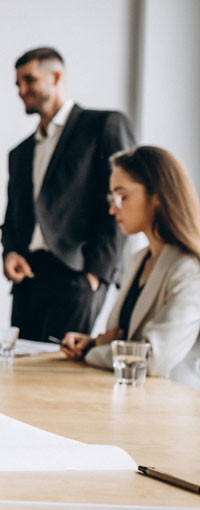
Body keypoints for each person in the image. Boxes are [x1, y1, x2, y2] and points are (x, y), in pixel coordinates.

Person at [1, 47, 135, 342]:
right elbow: (11, 217)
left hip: (77, 275)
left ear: (56, 77)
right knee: (20, 376)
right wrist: (10, 251)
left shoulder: (103, 125)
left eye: (29, 80)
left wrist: (96, 276)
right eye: (18, 84)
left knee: (63, 376)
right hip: (28, 280)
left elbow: (126, 198)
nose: (22, 90)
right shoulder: (20, 153)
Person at [61, 146, 200, 389]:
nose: (113, 208)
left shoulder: (189, 271)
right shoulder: (137, 260)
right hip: (128, 398)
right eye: (112, 198)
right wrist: (94, 343)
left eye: (122, 196)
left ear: (157, 196)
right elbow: (126, 342)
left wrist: (92, 353)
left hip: (170, 408)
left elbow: (152, 359)